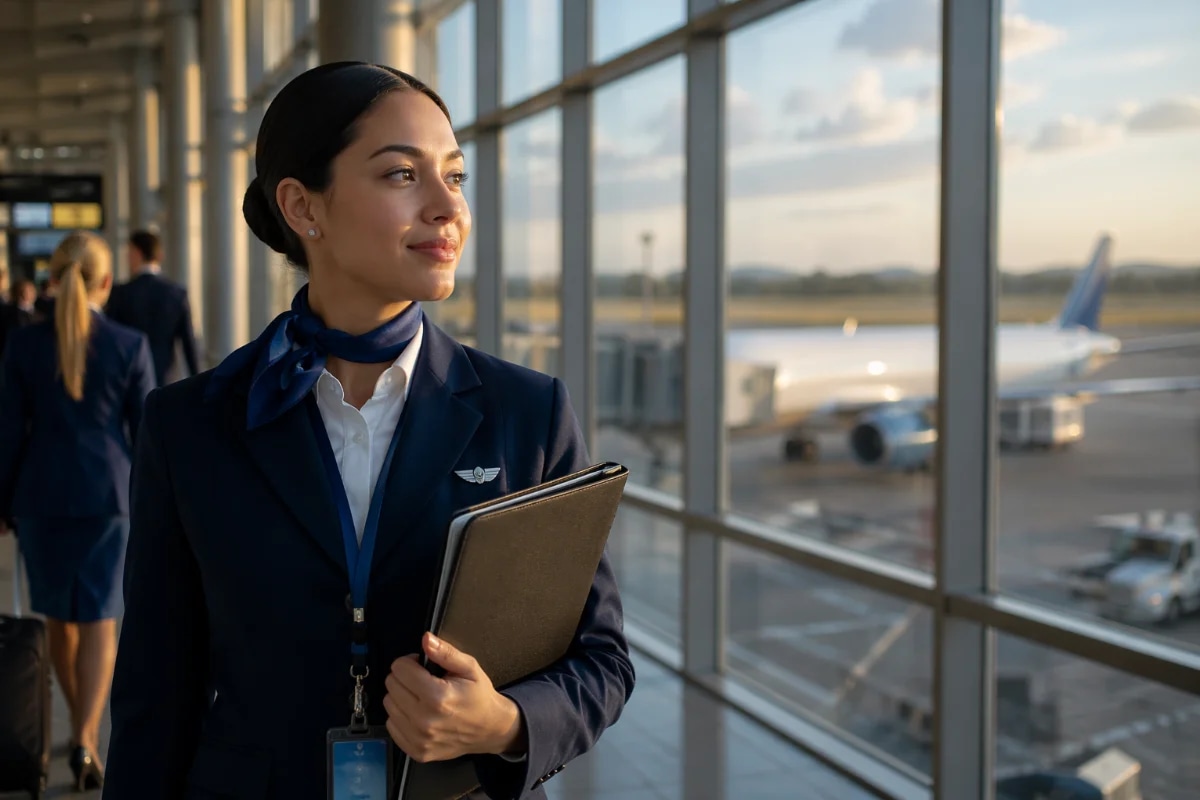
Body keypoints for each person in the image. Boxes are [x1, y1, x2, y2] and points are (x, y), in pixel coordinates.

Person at [104, 62, 634, 799]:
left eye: (455, 176)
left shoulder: (527, 411)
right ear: (302, 206)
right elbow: (154, 695)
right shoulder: (192, 424)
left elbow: (601, 659)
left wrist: (504, 721)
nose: (449, 207)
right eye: (401, 175)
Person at [0, 231, 155, 792]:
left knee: (58, 623)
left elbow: (9, 432)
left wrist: (3, 498)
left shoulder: (24, 345)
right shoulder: (128, 345)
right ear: (105, 282)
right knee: (99, 621)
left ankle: (78, 726)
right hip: (107, 499)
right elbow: (147, 436)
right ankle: (88, 738)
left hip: (41, 497)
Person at [104, 229, 200, 386]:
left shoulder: (120, 294)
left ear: (136, 253)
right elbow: (189, 346)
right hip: (166, 381)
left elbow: (110, 340)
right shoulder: (177, 294)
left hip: (128, 380)